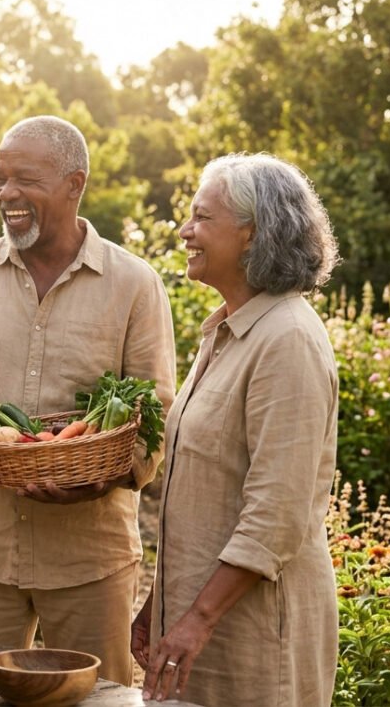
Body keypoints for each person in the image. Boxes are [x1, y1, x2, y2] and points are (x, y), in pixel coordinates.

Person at [0, 115, 176, 686]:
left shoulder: (133, 284)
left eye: (25, 179)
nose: (7, 194)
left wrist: (102, 478)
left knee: (94, 700)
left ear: (74, 184)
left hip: (89, 559)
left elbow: (156, 413)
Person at [133, 152, 341, 705]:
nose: (185, 231)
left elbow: (276, 514)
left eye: (202, 218)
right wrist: (158, 603)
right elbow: (203, 492)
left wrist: (195, 620)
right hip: (201, 622)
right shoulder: (229, 331)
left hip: (250, 629)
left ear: (251, 235)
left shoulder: (286, 340)